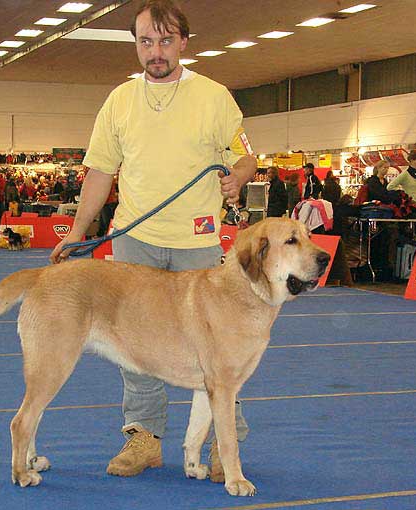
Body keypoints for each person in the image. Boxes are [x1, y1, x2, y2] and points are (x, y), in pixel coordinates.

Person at [50, 0, 257, 480]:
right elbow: (100, 173)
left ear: (183, 42)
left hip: (199, 246)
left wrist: (239, 176)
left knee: (219, 353)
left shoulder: (214, 96)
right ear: (137, 45)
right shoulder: (119, 101)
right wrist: (78, 235)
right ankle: (144, 437)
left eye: (165, 41)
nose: (155, 52)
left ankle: (224, 445)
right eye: (146, 42)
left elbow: (246, 155)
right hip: (134, 244)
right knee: (134, 347)